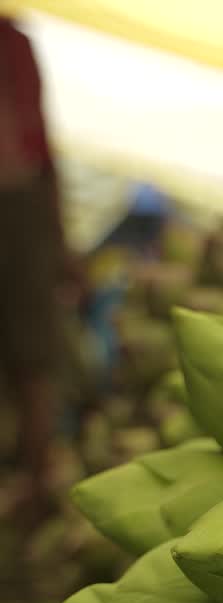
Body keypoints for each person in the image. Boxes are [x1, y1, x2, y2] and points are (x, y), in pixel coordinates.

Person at [0, 19, 77, 542]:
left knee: (32, 358)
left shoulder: (13, 42)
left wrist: (57, 239)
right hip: (20, 198)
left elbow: (37, 149)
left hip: (16, 201)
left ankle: (36, 485)